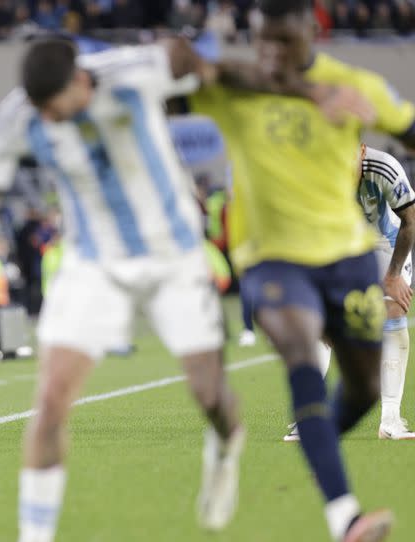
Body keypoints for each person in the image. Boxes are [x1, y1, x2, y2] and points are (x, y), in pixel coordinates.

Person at [0, 37, 370, 541]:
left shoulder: (138, 69)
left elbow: (221, 72)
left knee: (213, 398)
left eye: (55, 109)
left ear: (80, 82)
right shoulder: (21, 115)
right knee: (50, 402)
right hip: (95, 264)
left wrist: (311, 92)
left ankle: (224, 448)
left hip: (175, 259)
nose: (48, 120)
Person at [190, 1, 415, 540]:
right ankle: (346, 519)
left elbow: (406, 128)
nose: (271, 54)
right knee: (301, 351)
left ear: (311, 34)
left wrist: (391, 274)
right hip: (271, 257)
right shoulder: (237, 88)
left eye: (283, 43)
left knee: (360, 386)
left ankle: (305, 441)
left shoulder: (355, 85)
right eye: (262, 42)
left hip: (347, 257)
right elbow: (181, 65)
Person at [284, 145, 415, 442]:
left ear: (362, 151)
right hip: (340, 243)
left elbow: (410, 221)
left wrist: (393, 275)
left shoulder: (385, 167)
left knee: (392, 310)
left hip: (386, 241)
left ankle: (391, 420)